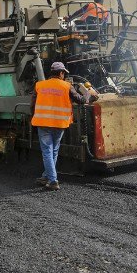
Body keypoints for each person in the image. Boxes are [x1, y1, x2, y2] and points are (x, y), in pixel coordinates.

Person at [31, 62, 89, 191]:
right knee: (54, 150)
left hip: (43, 123)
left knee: (47, 151)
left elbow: (32, 105)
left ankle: (52, 180)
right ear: (61, 73)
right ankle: (47, 176)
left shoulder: (39, 85)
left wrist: (33, 118)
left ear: (51, 73)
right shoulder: (67, 86)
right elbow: (80, 100)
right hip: (60, 124)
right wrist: (88, 95)